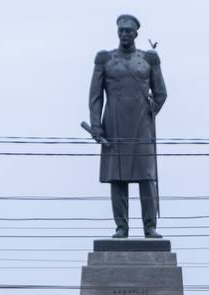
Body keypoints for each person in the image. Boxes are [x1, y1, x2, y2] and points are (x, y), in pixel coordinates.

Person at [89, 13, 166, 239]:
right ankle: (121, 227)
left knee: (146, 177)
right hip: (114, 124)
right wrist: (96, 126)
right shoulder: (105, 59)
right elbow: (95, 96)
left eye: (128, 31)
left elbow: (161, 93)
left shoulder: (149, 59)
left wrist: (152, 108)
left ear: (135, 34)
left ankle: (149, 227)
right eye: (121, 30)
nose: (124, 34)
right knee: (118, 178)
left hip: (142, 125)